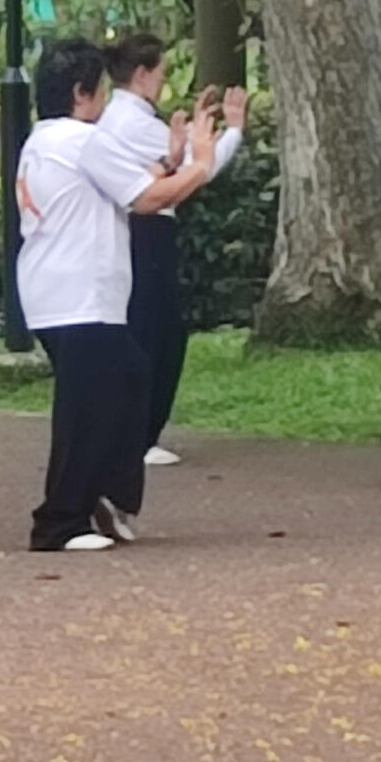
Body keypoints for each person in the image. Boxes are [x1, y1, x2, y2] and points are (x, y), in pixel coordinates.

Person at [17, 41, 217, 553]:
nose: (106, 102)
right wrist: (199, 164)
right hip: (78, 293)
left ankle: (103, 495)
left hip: (61, 289)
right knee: (86, 407)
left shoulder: (47, 139)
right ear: (83, 94)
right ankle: (60, 520)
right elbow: (149, 198)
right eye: (101, 91)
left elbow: (138, 176)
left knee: (127, 378)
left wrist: (173, 160)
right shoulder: (83, 141)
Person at [95, 32, 245, 467]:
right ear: (142, 74)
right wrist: (232, 129)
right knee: (156, 330)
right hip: (148, 228)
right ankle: (141, 433)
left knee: (155, 328)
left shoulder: (120, 118)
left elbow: (179, 163)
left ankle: (141, 431)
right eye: (160, 72)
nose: (163, 81)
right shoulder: (135, 123)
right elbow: (204, 167)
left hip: (140, 229)